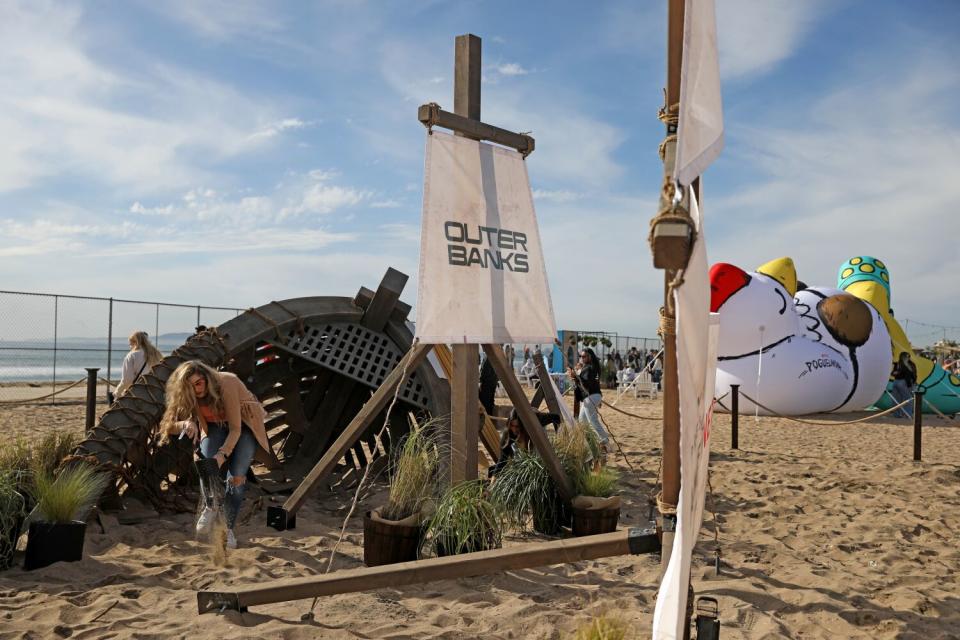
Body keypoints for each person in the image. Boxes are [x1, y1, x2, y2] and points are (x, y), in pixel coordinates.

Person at [160, 360, 271, 549]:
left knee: (236, 478)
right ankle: (211, 506)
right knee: (205, 461)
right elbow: (168, 426)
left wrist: (222, 455)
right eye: (190, 386)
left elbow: (235, 429)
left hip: (244, 426)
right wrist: (186, 424)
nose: (196, 390)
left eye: (198, 383)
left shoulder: (226, 383)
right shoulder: (188, 394)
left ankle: (227, 530)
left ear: (207, 378)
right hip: (215, 426)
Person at [567, 348, 609, 447]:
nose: (582, 358)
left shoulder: (590, 368)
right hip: (593, 397)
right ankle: (588, 443)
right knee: (582, 422)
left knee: (593, 420)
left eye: (584, 356)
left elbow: (586, 384)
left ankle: (605, 440)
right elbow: (589, 382)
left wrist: (575, 376)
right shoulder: (591, 367)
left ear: (590, 357)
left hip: (591, 397)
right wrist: (577, 374)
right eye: (581, 356)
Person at [115, 331, 163, 397]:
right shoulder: (157, 354)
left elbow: (127, 379)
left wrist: (117, 392)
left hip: (138, 393)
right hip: (155, 392)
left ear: (135, 343)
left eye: (130, 344)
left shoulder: (132, 355)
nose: (130, 347)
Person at [890, 351, 918, 419]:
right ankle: (903, 414)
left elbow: (912, 374)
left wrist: (897, 373)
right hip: (900, 382)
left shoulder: (908, 364)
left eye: (908, 356)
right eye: (906, 356)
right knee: (902, 399)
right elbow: (893, 373)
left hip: (901, 382)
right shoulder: (900, 364)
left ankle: (903, 414)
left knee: (903, 399)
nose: (907, 357)